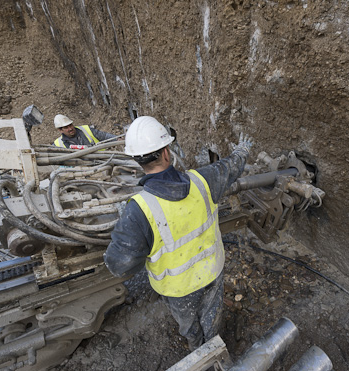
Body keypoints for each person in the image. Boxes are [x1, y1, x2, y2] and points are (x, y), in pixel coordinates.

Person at [104, 116, 253, 350]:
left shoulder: (138, 211)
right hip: (212, 271)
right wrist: (242, 151)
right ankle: (214, 344)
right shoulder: (204, 180)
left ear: (137, 161)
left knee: (189, 324)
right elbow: (230, 168)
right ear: (166, 152)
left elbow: (119, 266)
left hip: (178, 288)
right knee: (212, 316)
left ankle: (198, 351)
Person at [52, 114, 117, 148]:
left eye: (70, 125)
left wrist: (118, 139)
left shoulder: (86, 129)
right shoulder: (58, 144)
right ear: (60, 130)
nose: (70, 128)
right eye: (66, 127)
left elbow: (104, 136)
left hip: (100, 161)